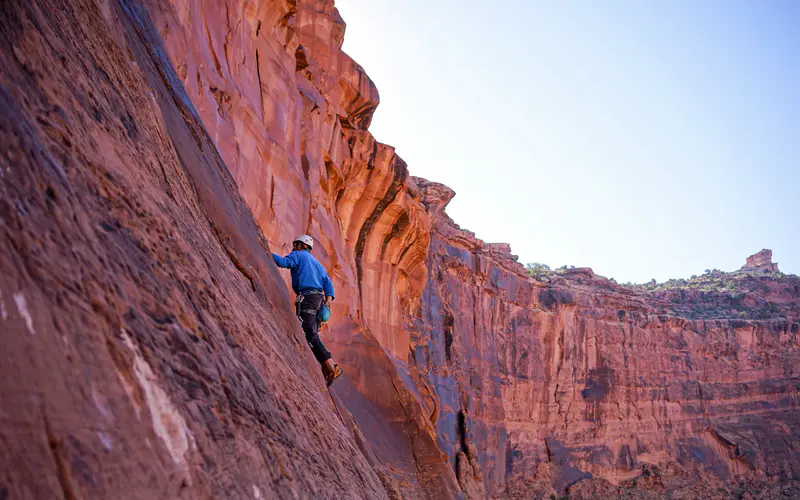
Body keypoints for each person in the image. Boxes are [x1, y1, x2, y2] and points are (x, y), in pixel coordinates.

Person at [273, 234, 342, 386]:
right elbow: (328, 283)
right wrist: (329, 299)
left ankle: (330, 365)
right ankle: (324, 366)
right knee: (311, 334)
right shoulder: (317, 264)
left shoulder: (298, 255)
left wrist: (266, 251)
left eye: (295, 244)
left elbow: (284, 262)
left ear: (301, 245)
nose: (293, 247)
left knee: (308, 332)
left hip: (308, 299)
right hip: (319, 301)